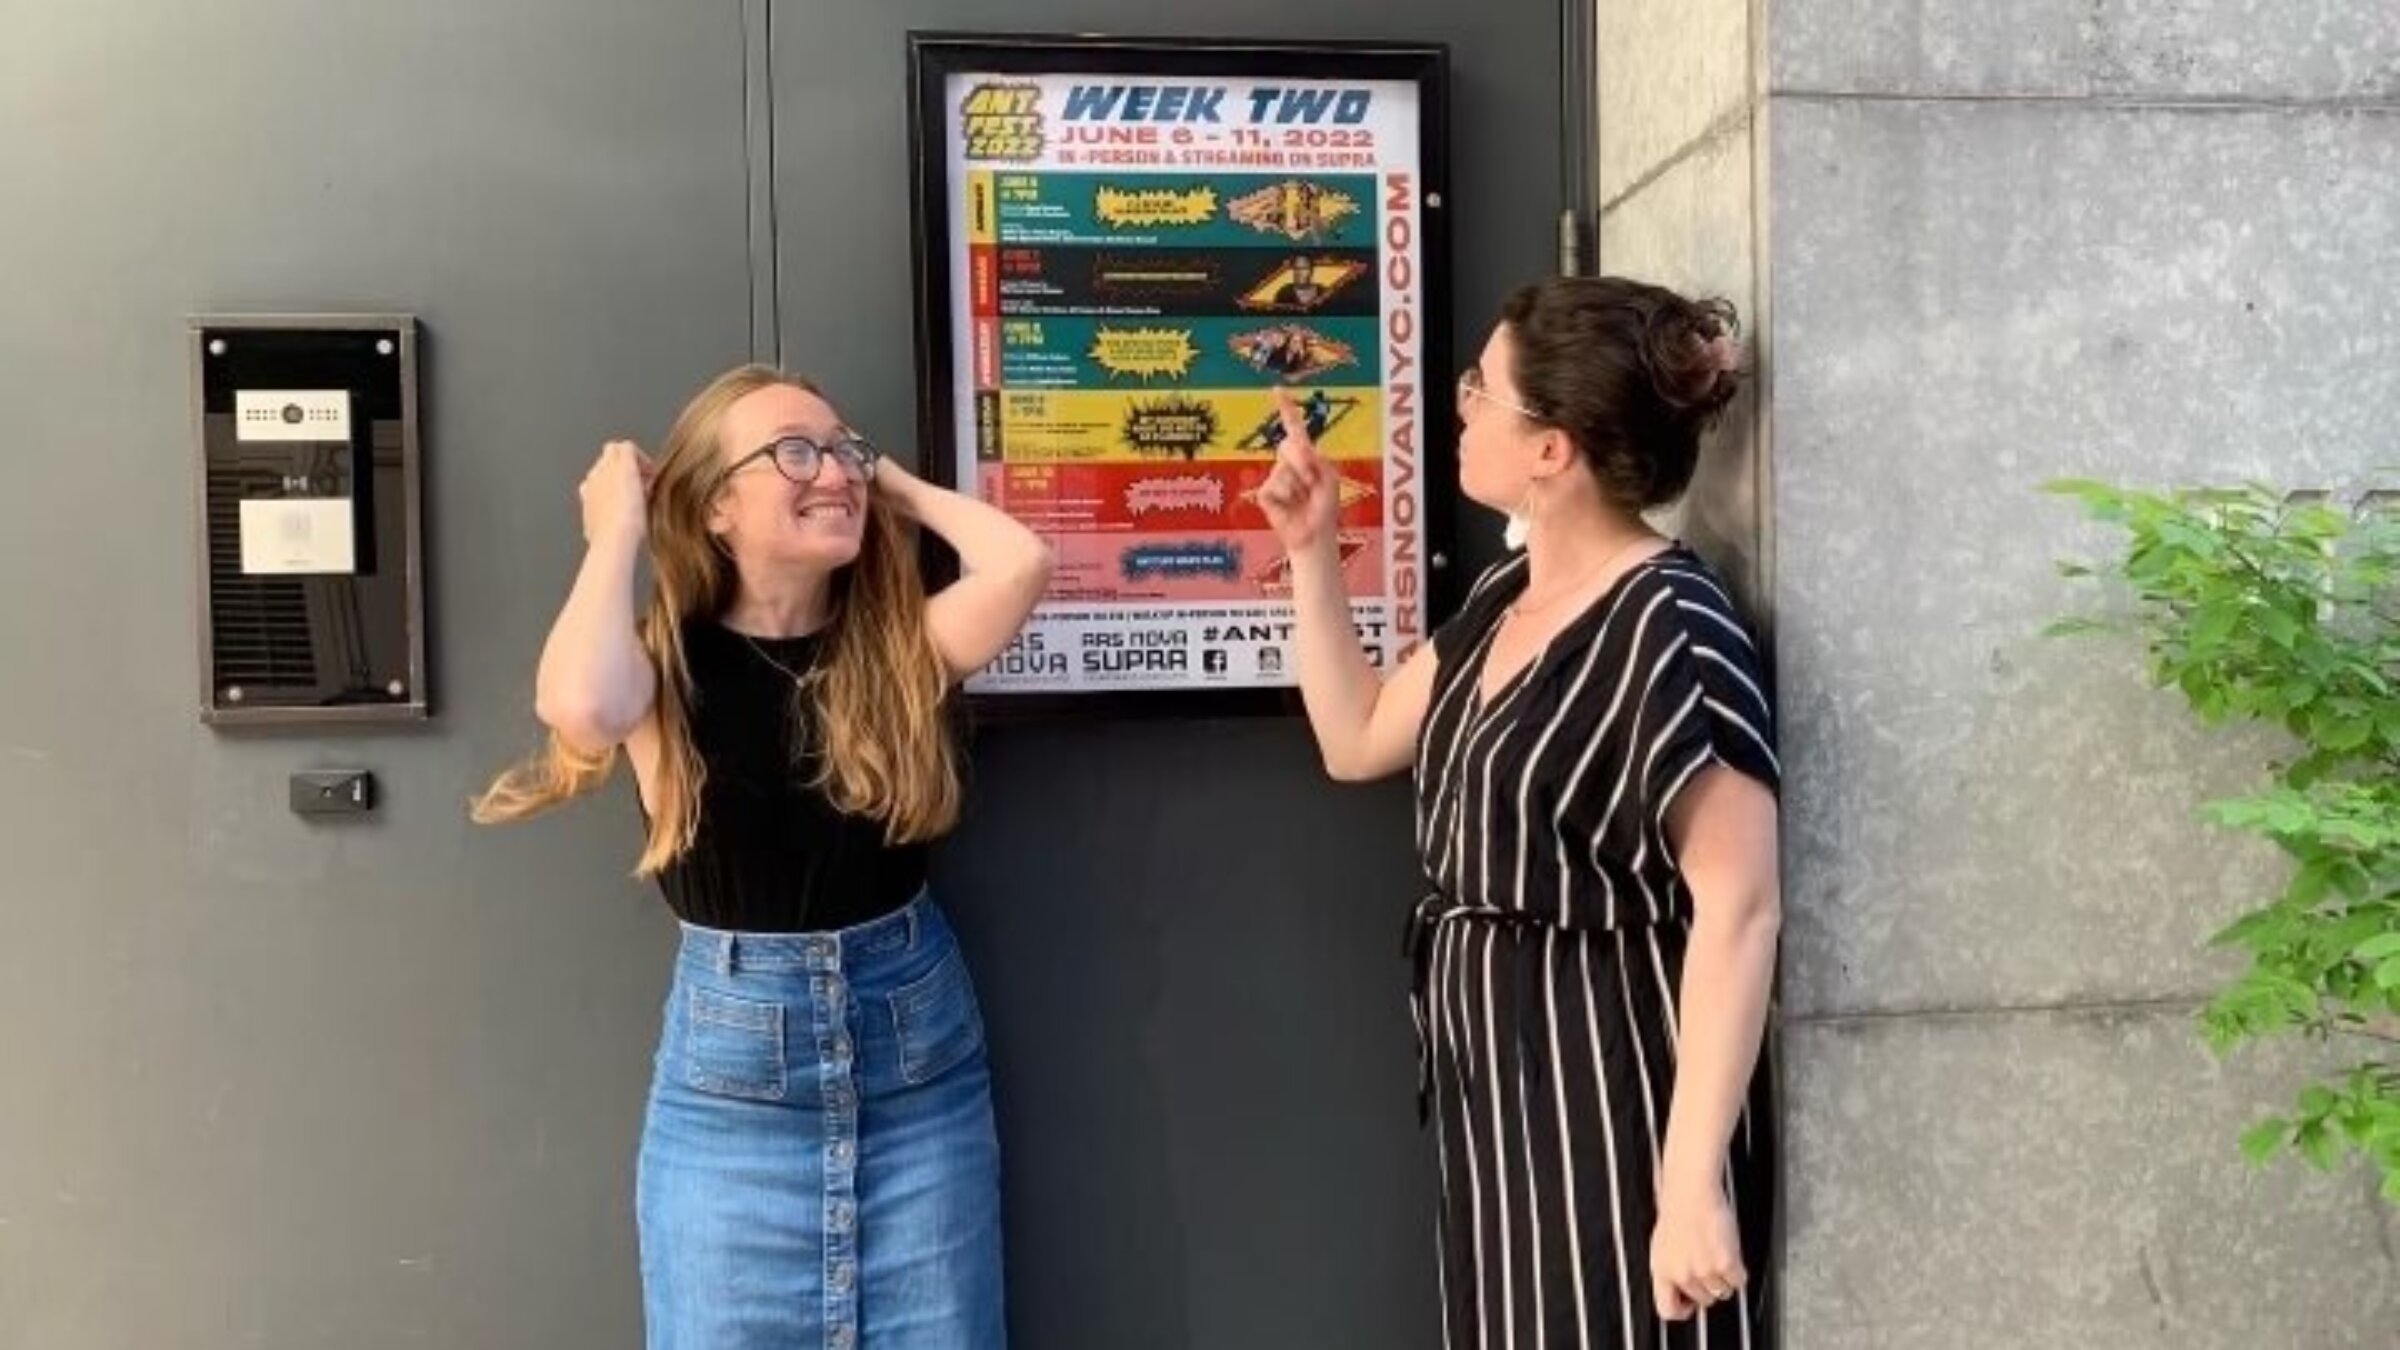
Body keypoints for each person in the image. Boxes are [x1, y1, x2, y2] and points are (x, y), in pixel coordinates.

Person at [473, 364, 1052, 1350]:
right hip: (734, 1097)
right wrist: (619, 525)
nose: (830, 470)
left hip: (920, 1074)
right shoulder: (664, 664)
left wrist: (886, 484)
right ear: (715, 510)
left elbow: (1019, 564)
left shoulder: (891, 648)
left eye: (841, 448)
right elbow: (579, 704)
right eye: (794, 453)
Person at [1257, 277, 1781, 1348]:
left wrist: (1689, 1185)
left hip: (1614, 1101)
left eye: (1479, 390)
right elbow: (1355, 737)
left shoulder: (1671, 627)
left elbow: (1741, 909)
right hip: (1497, 1103)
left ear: (1553, 449)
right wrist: (1314, 553)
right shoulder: (1506, 598)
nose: (1460, 408)